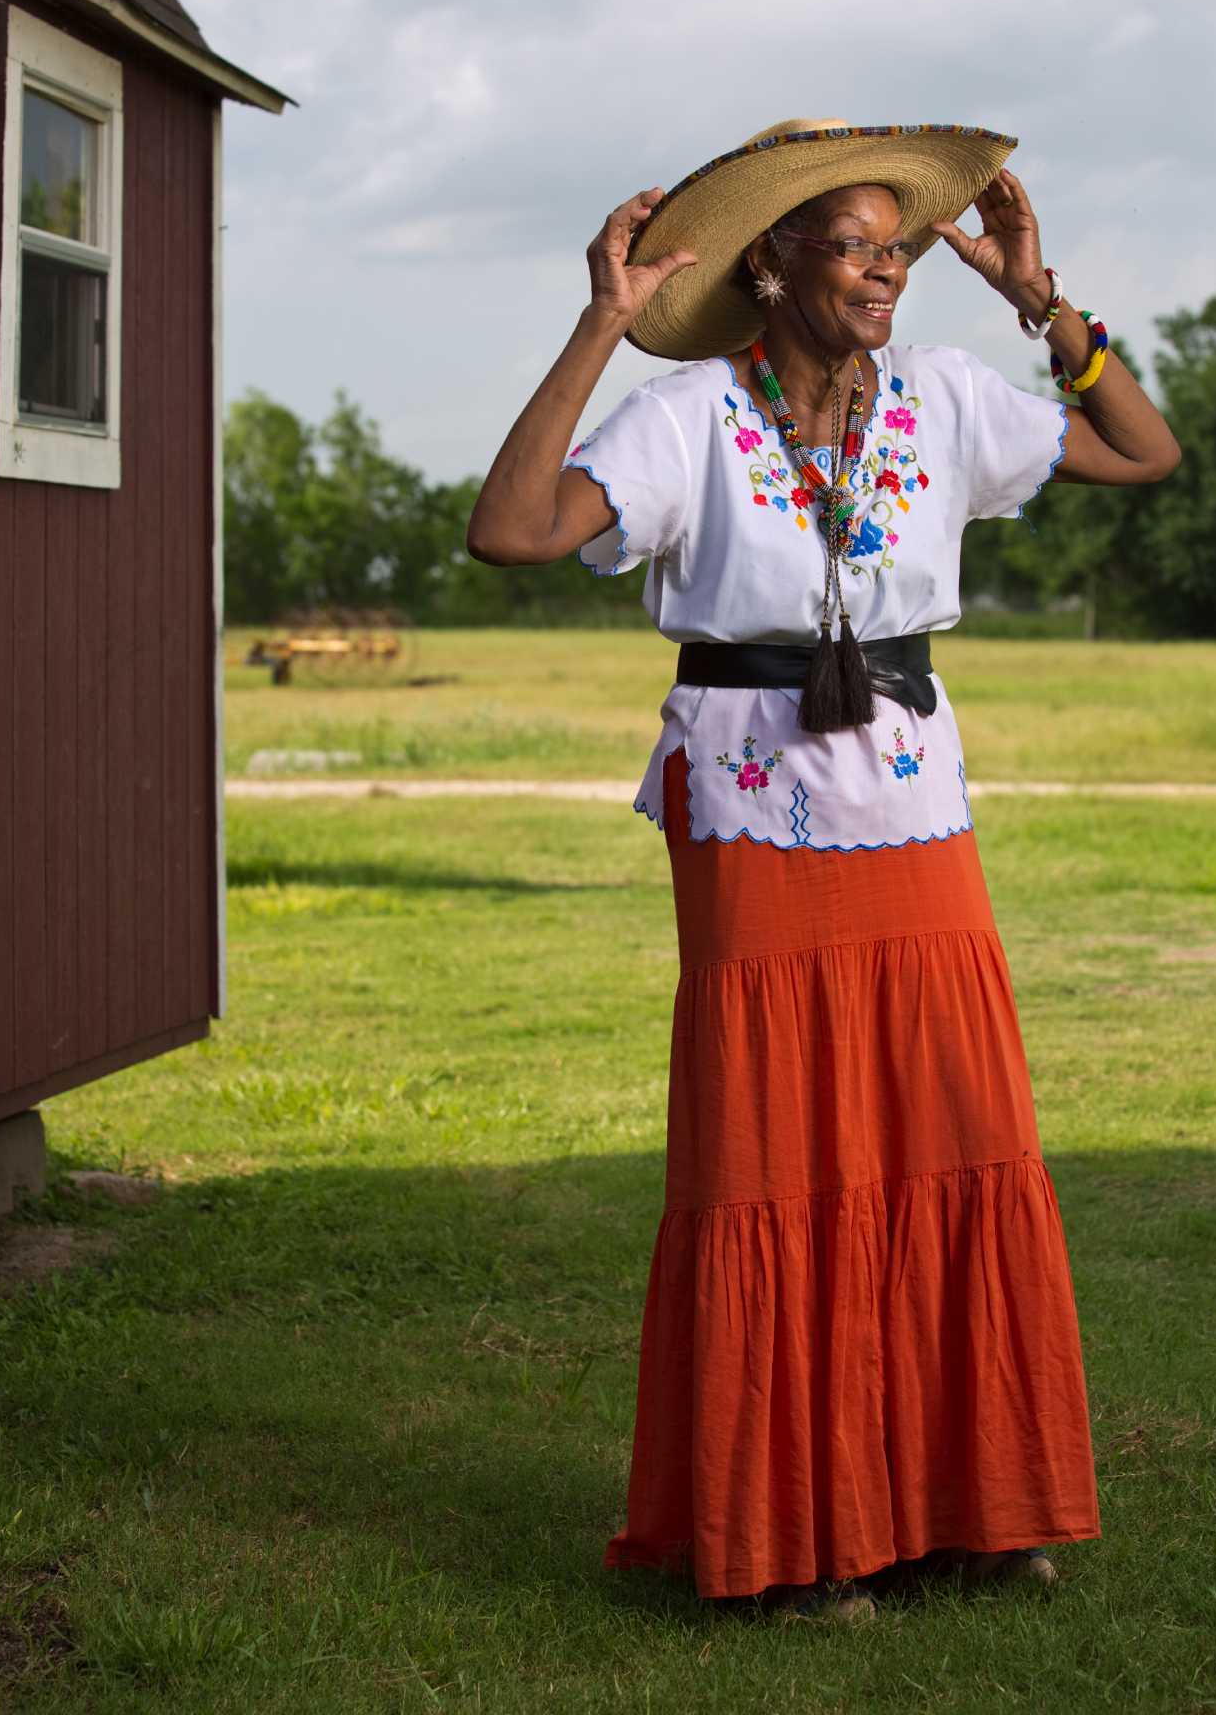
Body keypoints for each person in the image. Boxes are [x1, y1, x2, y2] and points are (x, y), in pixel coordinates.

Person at [467, 118, 1180, 1624]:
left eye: (895, 246)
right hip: (750, 805)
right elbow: (510, 529)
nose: (882, 271)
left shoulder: (943, 395)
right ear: (769, 262)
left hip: (913, 803)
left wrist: (1037, 301)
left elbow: (1140, 448)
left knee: (952, 1130)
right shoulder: (684, 421)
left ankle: (977, 1507)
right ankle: (792, 1535)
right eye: (851, 244)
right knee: (778, 1159)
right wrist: (600, 320)